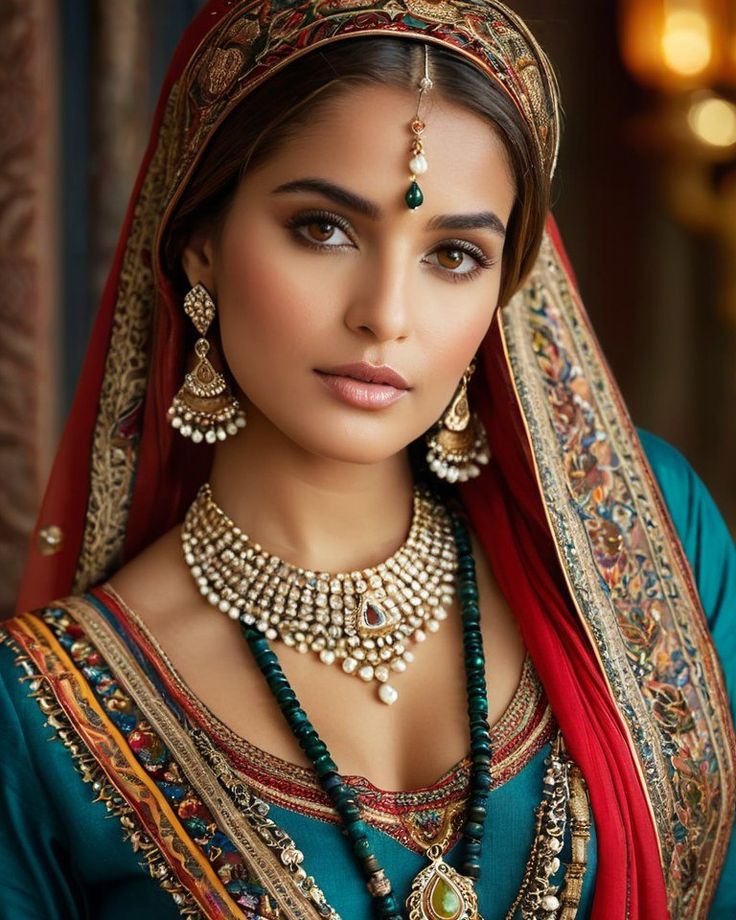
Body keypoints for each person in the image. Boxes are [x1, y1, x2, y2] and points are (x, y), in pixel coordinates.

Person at [0, 1, 734, 918]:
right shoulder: (42, 710)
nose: (386, 313)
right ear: (201, 244)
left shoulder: (637, 537)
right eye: (324, 229)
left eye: (455, 254)